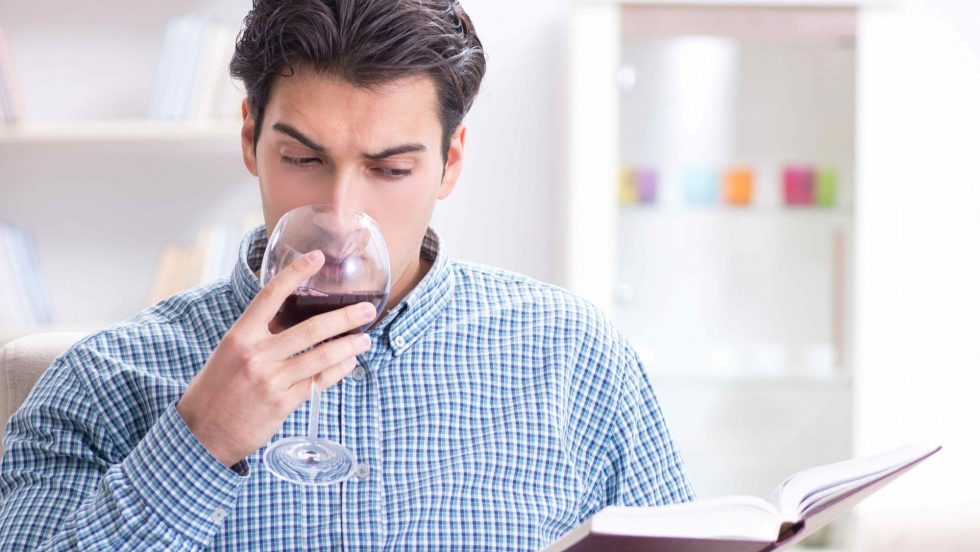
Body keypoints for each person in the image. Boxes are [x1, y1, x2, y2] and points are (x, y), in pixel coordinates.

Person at [0, 0, 694, 549]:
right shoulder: (104, 379)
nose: (340, 213)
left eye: (391, 169)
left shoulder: (572, 356)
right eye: (304, 159)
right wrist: (200, 440)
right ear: (250, 138)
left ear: (451, 161)